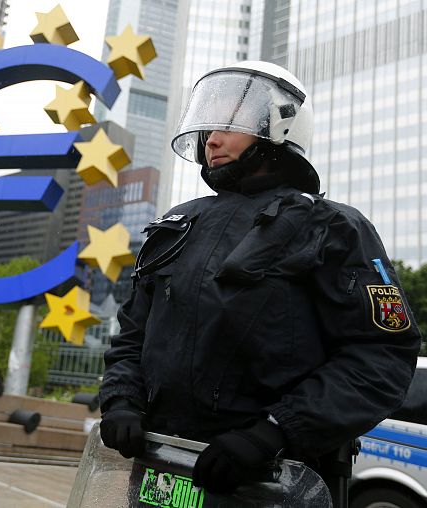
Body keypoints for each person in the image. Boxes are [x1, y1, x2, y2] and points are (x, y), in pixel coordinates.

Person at [98, 61, 422, 503]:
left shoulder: (334, 227)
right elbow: (132, 335)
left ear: (283, 125)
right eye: (208, 123)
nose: (211, 137)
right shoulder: (177, 225)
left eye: (231, 121)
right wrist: (120, 400)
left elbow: (381, 355)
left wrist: (275, 431)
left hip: (270, 481)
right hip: (162, 474)